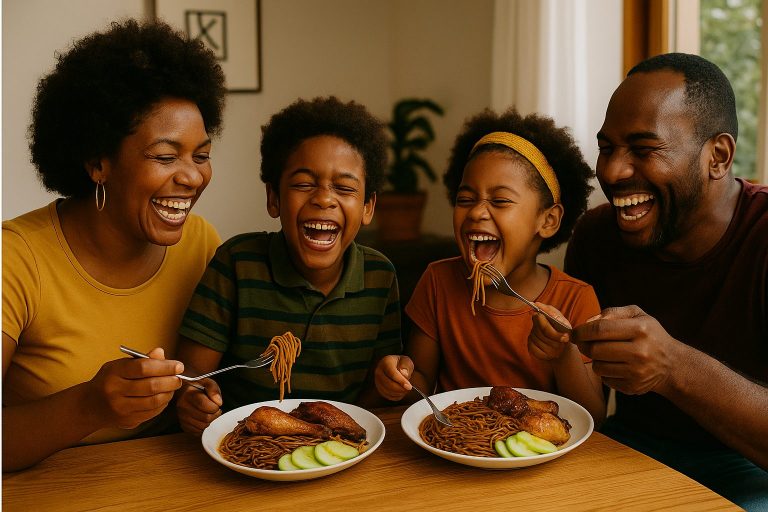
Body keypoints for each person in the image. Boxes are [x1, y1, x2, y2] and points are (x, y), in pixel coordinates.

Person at [2, 19, 226, 471]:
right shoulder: (15, 259)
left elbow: (206, 385)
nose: (191, 176)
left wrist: (198, 401)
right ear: (98, 163)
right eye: (165, 157)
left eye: (200, 155)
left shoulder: (202, 244)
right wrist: (89, 406)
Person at [565, 53, 768, 509]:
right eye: (607, 148)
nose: (613, 173)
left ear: (717, 156)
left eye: (644, 149)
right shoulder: (597, 235)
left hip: (751, 470)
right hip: (627, 452)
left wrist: (673, 366)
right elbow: (586, 406)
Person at [175, 96, 402, 434]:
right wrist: (195, 398)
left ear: (368, 206)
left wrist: (392, 380)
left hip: (342, 450)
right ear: (274, 198)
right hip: (245, 445)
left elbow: (377, 384)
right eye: (303, 183)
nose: (324, 199)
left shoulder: (380, 276)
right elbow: (193, 377)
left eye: (344, 187)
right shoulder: (237, 264)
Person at [374, 108, 606, 424]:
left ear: (548, 220)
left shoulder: (575, 299)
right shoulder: (438, 281)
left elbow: (594, 417)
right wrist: (399, 380)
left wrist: (563, 354)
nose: (476, 213)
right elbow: (422, 379)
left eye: (500, 201)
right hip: (457, 444)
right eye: (465, 199)